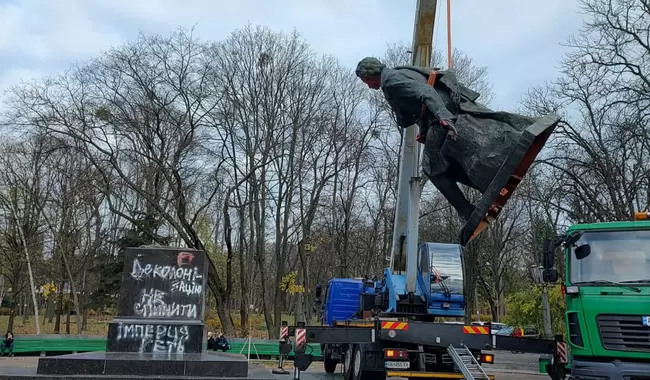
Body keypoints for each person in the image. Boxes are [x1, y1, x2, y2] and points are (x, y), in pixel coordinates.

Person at [354, 57, 559, 222]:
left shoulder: (390, 81)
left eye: (365, 81)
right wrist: (424, 129)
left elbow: (425, 91)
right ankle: (486, 183)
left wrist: (442, 116)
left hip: (442, 116)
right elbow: (417, 104)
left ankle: (467, 210)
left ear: (370, 75)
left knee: (431, 168)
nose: (368, 85)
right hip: (438, 116)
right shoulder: (401, 70)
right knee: (442, 161)